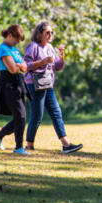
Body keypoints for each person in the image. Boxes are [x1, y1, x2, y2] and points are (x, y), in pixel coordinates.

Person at [23, 21, 82, 154]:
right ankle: (29, 145)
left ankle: (66, 145)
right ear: (39, 34)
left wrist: (62, 56)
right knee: (37, 115)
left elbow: (58, 67)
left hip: (48, 84)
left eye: (51, 32)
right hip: (34, 84)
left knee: (56, 113)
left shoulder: (50, 47)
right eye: (47, 32)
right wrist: (43, 62)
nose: (50, 35)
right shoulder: (33, 46)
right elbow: (26, 65)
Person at [0, 25, 31, 155]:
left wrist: (19, 65)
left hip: (18, 84)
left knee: (20, 117)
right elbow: (12, 69)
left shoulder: (15, 50)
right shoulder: (3, 49)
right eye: (16, 39)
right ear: (10, 35)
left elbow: (25, 67)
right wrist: (19, 65)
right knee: (21, 116)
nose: (17, 42)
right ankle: (18, 148)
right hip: (8, 84)